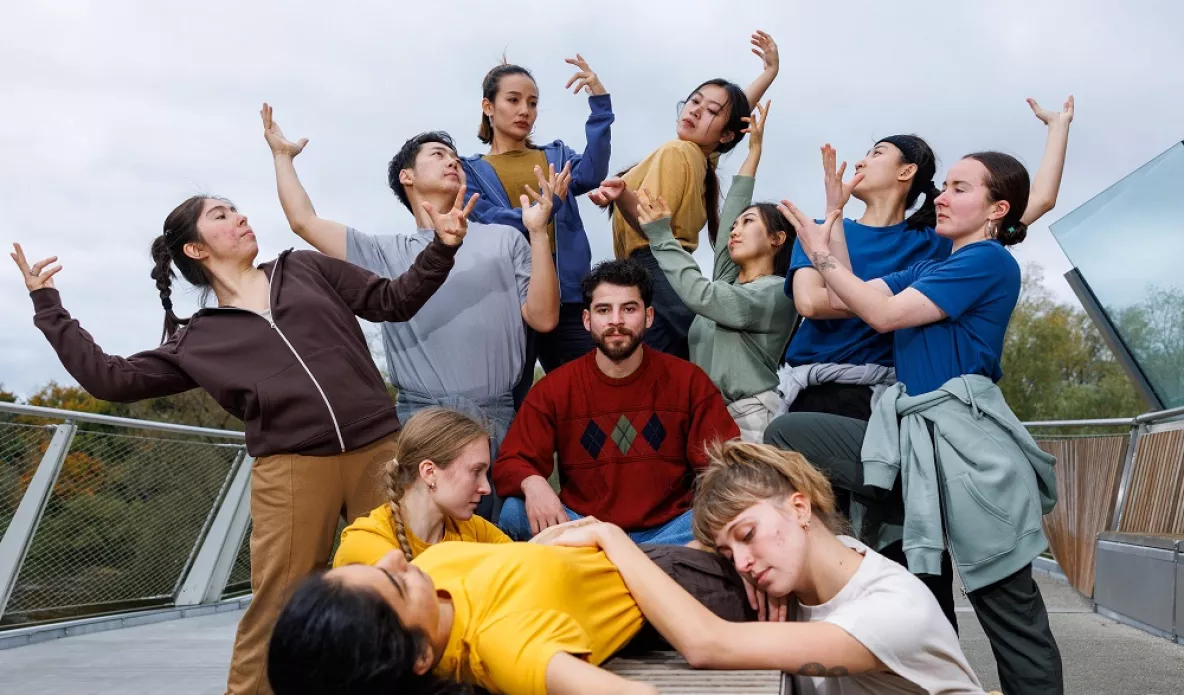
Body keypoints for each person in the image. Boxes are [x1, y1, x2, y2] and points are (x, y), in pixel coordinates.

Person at [11, 190, 465, 695]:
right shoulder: (197, 340)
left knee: (421, 573)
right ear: (196, 250)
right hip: (291, 468)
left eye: (237, 209)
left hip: (379, 450)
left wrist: (441, 247)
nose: (241, 217)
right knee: (278, 604)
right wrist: (48, 307)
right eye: (222, 215)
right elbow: (110, 380)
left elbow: (392, 299)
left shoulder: (306, 269)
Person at [780, 100, 1074, 693]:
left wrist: (1059, 131)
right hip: (917, 440)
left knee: (1008, 611)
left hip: (968, 450)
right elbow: (857, 297)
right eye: (945, 187)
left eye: (958, 188)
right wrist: (830, 230)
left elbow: (882, 315)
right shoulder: (933, 267)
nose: (942, 195)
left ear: (995, 209)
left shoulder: (983, 260)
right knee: (789, 433)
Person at [262, 104, 562, 520]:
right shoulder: (385, 251)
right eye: (438, 154)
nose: (452, 160)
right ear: (407, 177)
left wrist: (538, 232)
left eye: (455, 157)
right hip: (422, 421)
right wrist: (282, 158)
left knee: (496, 547)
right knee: (423, 548)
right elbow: (304, 221)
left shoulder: (505, 240)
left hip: (496, 420)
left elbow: (544, 319)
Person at [548, 440, 990, 695]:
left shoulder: (892, 610)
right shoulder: (826, 559)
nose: (742, 563)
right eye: (728, 554)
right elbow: (695, 550)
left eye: (746, 536)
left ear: (801, 507)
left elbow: (707, 645)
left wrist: (612, 537)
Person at [493, 259, 740, 544]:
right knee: (514, 511)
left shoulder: (688, 381)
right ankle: (635, 559)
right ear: (587, 320)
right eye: (603, 310)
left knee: (728, 510)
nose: (616, 321)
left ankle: (618, 558)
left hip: (669, 530)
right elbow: (512, 460)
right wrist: (532, 482)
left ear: (648, 317)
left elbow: (722, 462)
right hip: (586, 527)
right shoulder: (555, 389)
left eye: (629, 308)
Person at [589, 30, 780, 360]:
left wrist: (622, 196)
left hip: (656, 268)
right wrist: (768, 73)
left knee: (660, 377)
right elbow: (732, 115)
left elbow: (652, 228)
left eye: (709, 111)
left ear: (726, 134)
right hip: (667, 272)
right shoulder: (699, 156)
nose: (695, 110)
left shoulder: (681, 152)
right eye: (694, 101)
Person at [631, 100, 795, 442]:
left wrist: (661, 235)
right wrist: (754, 152)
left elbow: (701, 294)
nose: (735, 230)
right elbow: (730, 214)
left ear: (777, 238)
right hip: (707, 417)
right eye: (734, 225)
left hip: (750, 417)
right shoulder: (731, 279)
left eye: (748, 223)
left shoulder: (777, 293)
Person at [461, 55, 614, 385]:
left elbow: (593, 171)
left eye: (532, 103)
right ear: (488, 106)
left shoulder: (556, 156)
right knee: (509, 398)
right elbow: (488, 218)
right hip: (507, 302)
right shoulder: (468, 170)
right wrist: (543, 210)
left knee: (590, 389)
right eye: (513, 100)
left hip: (569, 299)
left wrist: (600, 105)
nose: (524, 111)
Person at [333, 407, 598, 566]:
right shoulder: (366, 542)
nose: (486, 489)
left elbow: (525, 572)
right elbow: (424, 594)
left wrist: (546, 548)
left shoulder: (475, 530)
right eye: (475, 472)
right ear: (429, 472)